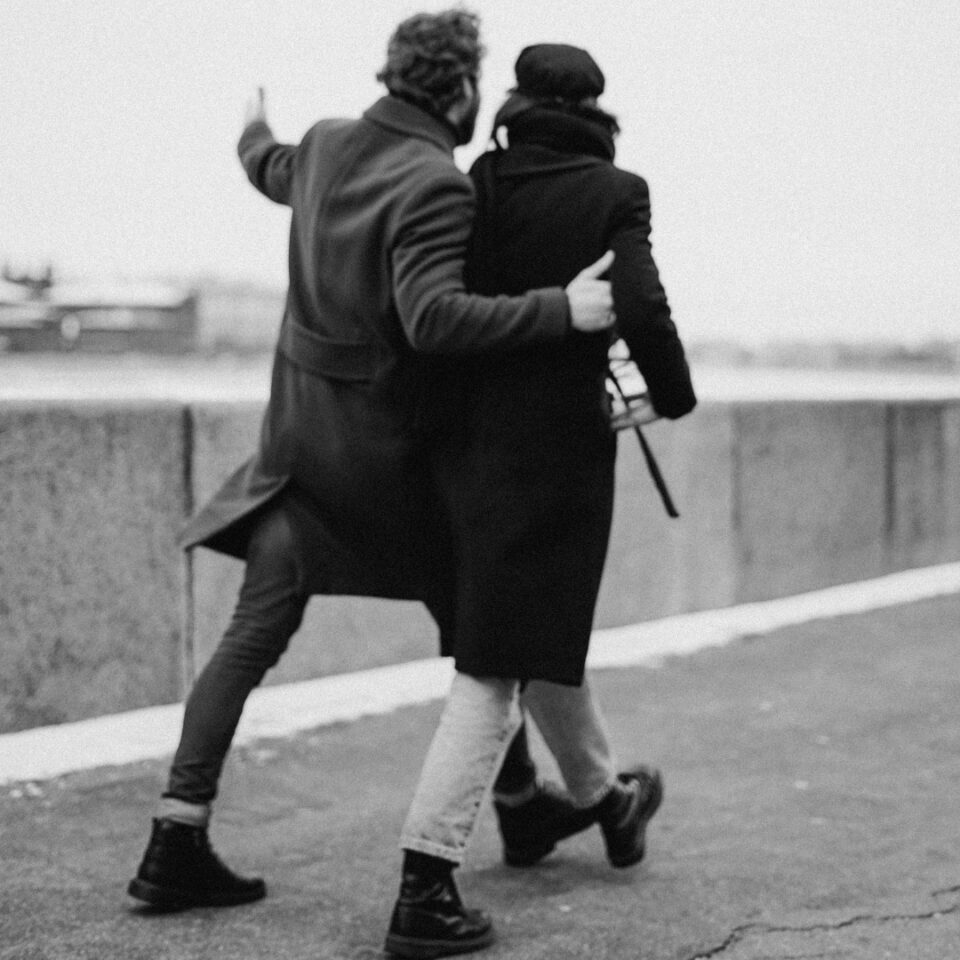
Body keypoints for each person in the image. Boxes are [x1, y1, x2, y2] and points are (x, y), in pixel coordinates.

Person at [126, 9, 615, 918]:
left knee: (248, 640)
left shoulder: (323, 145)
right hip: (388, 472)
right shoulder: (437, 184)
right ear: (460, 88)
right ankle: (518, 807)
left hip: (297, 452)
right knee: (485, 630)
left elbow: (262, 164)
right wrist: (562, 310)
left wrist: (251, 122)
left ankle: (174, 837)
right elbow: (435, 318)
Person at [383, 42, 698, 958]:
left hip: (461, 451)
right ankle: (424, 884)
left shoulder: (477, 182)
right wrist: (673, 396)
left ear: (516, 102)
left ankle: (604, 801)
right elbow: (642, 306)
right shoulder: (616, 192)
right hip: (554, 457)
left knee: (534, 632)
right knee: (494, 668)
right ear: (595, 110)